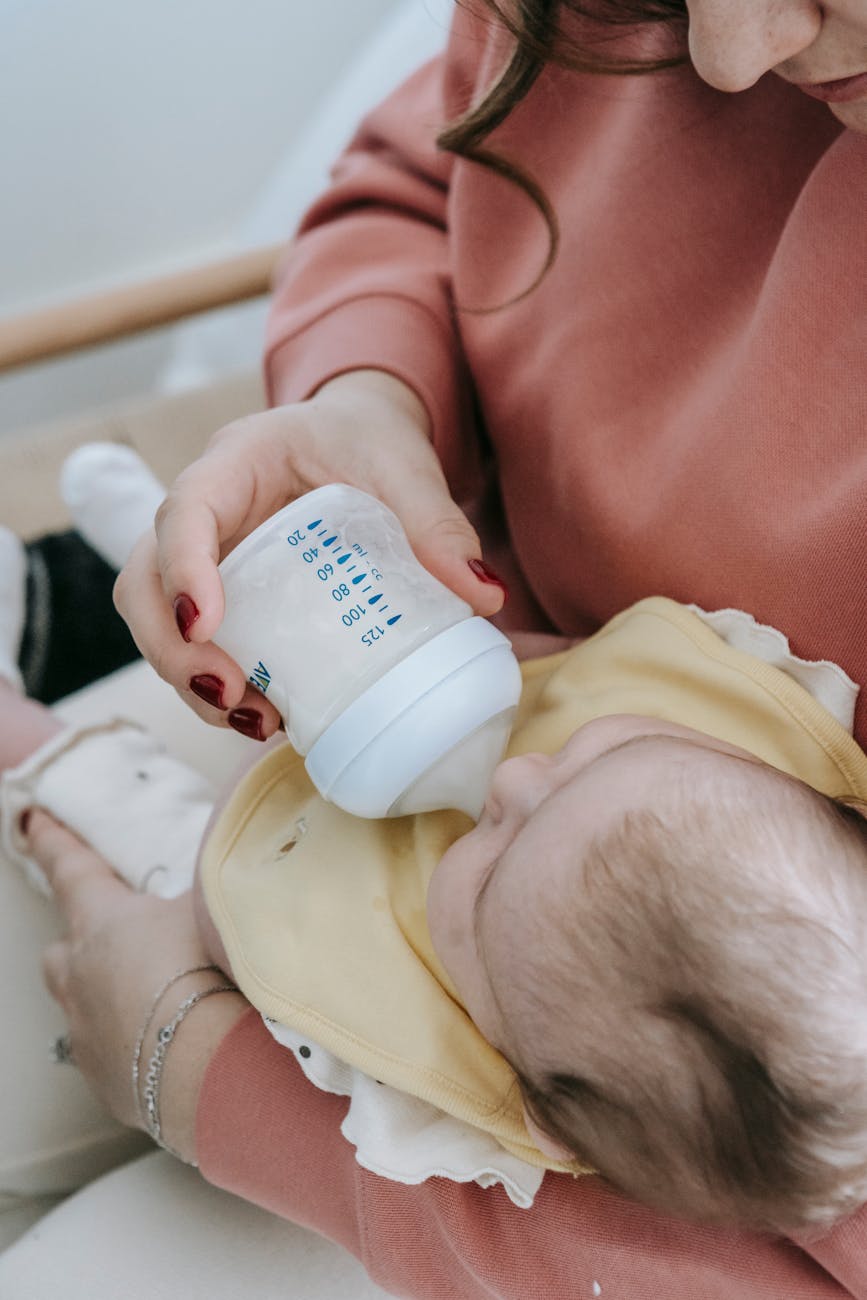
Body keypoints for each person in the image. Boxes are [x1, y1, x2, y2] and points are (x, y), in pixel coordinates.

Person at [5, 0, 867, 1293]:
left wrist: (200, 1076)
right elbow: (422, 174)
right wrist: (368, 394)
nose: (730, 53)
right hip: (373, 656)